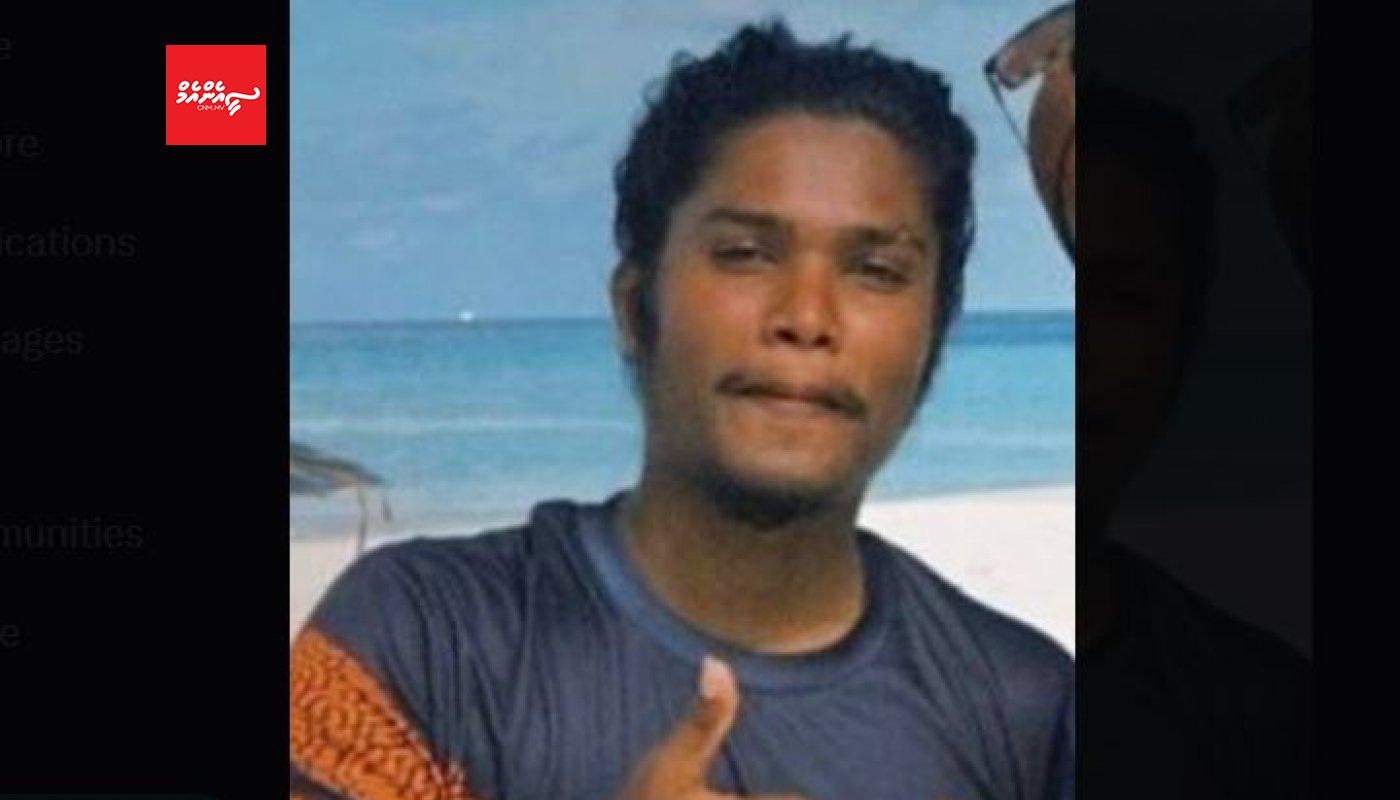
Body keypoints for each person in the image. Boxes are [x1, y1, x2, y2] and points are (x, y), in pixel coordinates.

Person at [290, 20, 1073, 800]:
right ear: (635, 307)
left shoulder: (1029, 714)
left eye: (875, 270)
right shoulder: (421, 640)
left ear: (934, 337)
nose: (807, 316)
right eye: (744, 254)